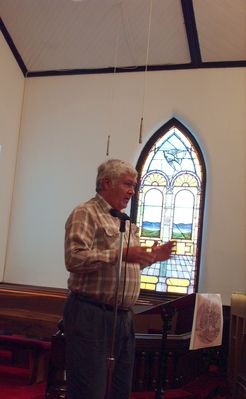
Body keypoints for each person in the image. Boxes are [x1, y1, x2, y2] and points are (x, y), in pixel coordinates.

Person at [63, 159, 175, 399]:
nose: (132, 192)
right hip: (91, 314)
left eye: (134, 186)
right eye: (127, 184)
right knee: (89, 390)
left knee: (119, 390)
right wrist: (121, 253)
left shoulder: (124, 221)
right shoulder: (86, 212)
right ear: (106, 182)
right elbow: (74, 259)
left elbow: (125, 266)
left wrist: (152, 258)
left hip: (123, 317)